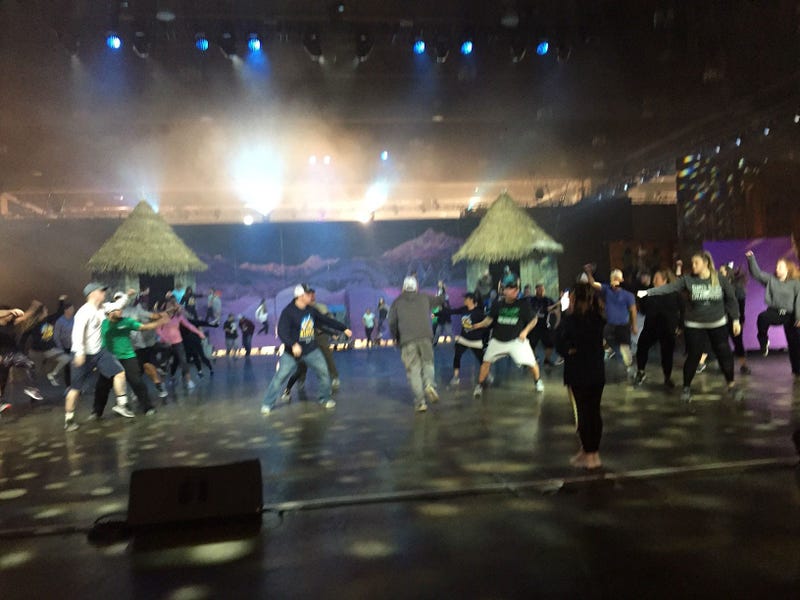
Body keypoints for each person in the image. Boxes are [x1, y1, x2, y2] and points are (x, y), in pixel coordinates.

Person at [638, 250, 742, 403]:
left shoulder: (719, 278)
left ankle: (731, 385)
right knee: (694, 355)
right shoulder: (688, 279)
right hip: (695, 324)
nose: (693, 266)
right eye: (692, 263)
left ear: (705, 263)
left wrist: (736, 320)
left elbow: (731, 299)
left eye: (696, 263)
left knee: (724, 352)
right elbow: (670, 287)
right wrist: (649, 292)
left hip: (717, 322)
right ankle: (686, 388)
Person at [261, 284, 351, 416]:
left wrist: (343, 328)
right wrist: (293, 344)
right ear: (300, 296)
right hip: (291, 353)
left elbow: (324, 320)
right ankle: (267, 403)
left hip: (311, 350)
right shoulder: (288, 312)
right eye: (308, 294)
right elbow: (282, 332)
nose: (311, 296)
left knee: (324, 373)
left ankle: (324, 398)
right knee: (280, 377)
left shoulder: (310, 310)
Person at [554, 282, 606, 470]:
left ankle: (590, 456)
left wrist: (569, 349)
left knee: (584, 414)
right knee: (594, 412)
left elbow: (559, 342)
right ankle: (591, 452)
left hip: (579, 373)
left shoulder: (572, 320)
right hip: (597, 372)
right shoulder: (598, 317)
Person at [64, 283, 130, 431]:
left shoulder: (102, 308)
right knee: (75, 389)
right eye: (102, 291)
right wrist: (80, 353)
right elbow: (77, 334)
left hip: (99, 351)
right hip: (81, 353)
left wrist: (127, 295)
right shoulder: (84, 312)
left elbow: (118, 303)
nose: (104, 294)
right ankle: (69, 419)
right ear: (93, 293)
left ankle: (122, 405)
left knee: (119, 372)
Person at [471, 273, 544, 397]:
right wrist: (477, 325)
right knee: (486, 362)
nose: (514, 290)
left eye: (516, 288)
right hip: (498, 341)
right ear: (503, 290)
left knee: (532, 363)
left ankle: (537, 381)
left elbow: (534, 320)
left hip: (516, 342)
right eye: (511, 288)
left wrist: (525, 331)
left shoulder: (523, 304)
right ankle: (479, 385)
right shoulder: (497, 305)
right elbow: (489, 320)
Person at [93, 295, 166, 417]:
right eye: (118, 309)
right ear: (110, 312)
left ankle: (148, 407)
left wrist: (160, 322)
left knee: (137, 382)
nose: (121, 311)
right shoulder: (103, 323)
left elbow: (144, 327)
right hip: (110, 358)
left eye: (121, 308)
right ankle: (97, 412)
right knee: (102, 386)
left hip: (128, 357)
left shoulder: (127, 321)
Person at [389, 276, 444, 412]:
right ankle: (430, 385)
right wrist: (442, 289)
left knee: (413, 370)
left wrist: (396, 338)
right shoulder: (424, 297)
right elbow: (440, 300)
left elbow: (392, 323)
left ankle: (420, 402)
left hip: (407, 340)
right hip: (425, 336)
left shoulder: (397, 302)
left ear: (403, 288)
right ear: (416, 287)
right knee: (428, 363)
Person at [745, 250, 800, 376]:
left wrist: (798, 318)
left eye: (780, 266)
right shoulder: (771, 279)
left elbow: (799, 300)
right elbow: (757, 274)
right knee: (762, 318)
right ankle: (764, 342)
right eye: (776, 266)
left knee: (795, 343)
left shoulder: (796, 283)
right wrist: (751, 258)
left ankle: (797, 370)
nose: (777, 268)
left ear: (787, 269)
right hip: (775, 312)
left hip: (790, 315)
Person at [585, 267, 638, 379]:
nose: (614, 280)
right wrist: (589, 272)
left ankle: (630, 367)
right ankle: (608, 351)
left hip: (622, 325)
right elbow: (593, 284)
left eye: (617, 278)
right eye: (613, 278)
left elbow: (633, 310)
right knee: (600, 338)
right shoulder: (607, 289)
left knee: (625, 349)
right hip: (610, 324)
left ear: (621, 280)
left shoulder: (628, 295)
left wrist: (634, 325)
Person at [633, 269, 681, 388]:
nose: (654, 281)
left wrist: (680, 326)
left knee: (667, 354)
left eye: (657, 279)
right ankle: (641, 371)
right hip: (651, 327)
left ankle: (667, 377)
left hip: (667, 328)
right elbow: (643, 308)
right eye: (653, 278)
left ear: (665, 281)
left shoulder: (674, 293)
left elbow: (683, 310)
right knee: (642, 346)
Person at [0, 303, 46, 416]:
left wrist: (33, 309)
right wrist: (11, 310)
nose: (11, 318)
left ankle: (30, 388)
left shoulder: (11, 323)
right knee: (2, 382)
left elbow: (24, 317)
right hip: (2, 356)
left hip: (14, 354)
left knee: (29, 364)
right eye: (9, 315)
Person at [156, 298, 205, 390]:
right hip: (166, 344)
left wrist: (199, 332)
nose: (171, 307)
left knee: (184, 362)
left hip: (178, 343)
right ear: (166, 306)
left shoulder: (178, 317)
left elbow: (189, 325)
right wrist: (165, 339)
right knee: (164, 364)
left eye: (172, 305)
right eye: (169, 305)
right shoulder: (162, 317)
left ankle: (188, 381)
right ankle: (162, 383)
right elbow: (158, 329)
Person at [449, 292, 488, 386]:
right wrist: (436, 314)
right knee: (457, 355)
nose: (464, 300)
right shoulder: (463, 310)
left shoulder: (478, 313)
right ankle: (455, 377)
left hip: (475, 341)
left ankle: (487, 375)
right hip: (464, 339)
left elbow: (486, 325)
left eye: (465, 298)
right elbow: (451, 311)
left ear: (470, 300)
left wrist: (485, 341)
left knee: (482, 359)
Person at [527, 283, 559, 367]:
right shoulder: (531, 300)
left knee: (550, 344)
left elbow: (556, 310)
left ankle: (547, 360)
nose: (541, 291)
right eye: (539, 289)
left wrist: (557, 322)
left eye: (542, 289)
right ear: (536, 290)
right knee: (531, 344)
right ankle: (533, 360)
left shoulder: (548, 300)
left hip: (545, 325)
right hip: (534, 325)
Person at [52, 302, 75, 388]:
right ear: (66, 310)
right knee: (67, 368)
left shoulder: (74, 319)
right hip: (65, 347)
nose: (73, 310)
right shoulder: (60, 321)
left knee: (75, 367)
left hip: (74, 346)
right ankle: (68, 386)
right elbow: (56, 335)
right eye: (71, 309)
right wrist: (60, 348)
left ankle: (76, 385)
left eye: (73, 309)